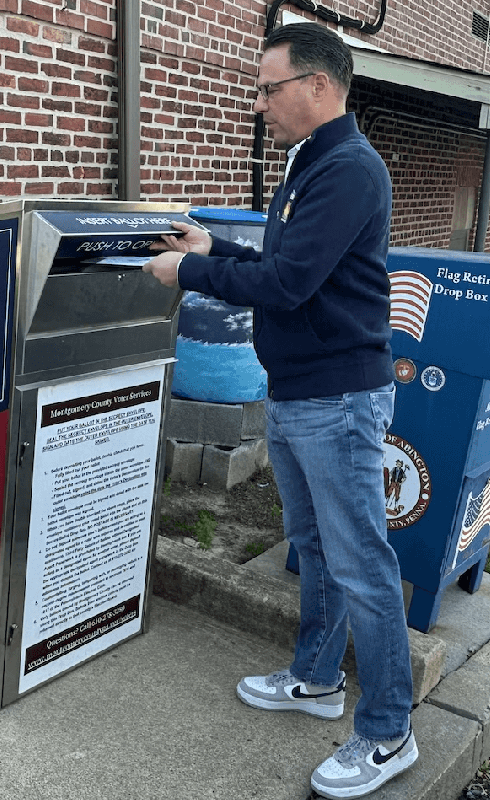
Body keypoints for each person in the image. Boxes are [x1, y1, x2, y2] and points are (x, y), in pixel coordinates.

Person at [142, 21, 417, 800]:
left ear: (318, 86)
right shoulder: (310, 162)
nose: (259, 103)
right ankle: (316, 679)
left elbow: (288, 289)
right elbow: (283, 265)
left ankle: (388, 730)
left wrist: (187, 271)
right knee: (317, 551)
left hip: (339, 398)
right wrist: (213, 246)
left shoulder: (350, 170)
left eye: (269, 88)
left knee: (363, 568)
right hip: (299, 393)